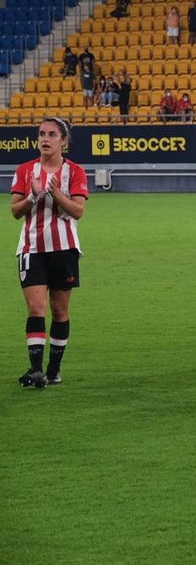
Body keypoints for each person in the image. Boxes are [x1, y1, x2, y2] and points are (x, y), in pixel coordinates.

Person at [12, 118, 88, 388]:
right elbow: (15, 211)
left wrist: (55, 194)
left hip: (64, 248)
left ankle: (53, 370)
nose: (45, 139)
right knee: (36, 307)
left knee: (59, 310)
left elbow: (78, 211)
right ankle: (35, 370)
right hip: (31, 248)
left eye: (52, 134)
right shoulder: (24, 170)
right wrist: (33, 197)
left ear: (63, 141)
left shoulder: (75, 172)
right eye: (42, 134)